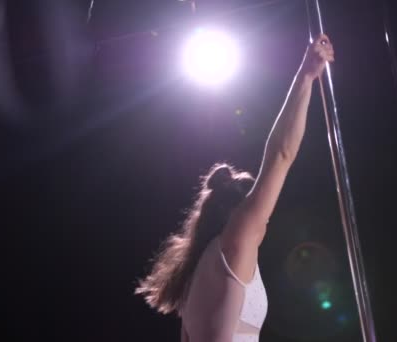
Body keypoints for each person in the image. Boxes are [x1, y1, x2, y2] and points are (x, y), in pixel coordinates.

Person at [136, 34, 335, 342]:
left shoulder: (201, 274)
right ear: (241, 210)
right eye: (258, 205)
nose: (266, 216)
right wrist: (305, 77)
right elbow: (280, 156)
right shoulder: (236, 241)